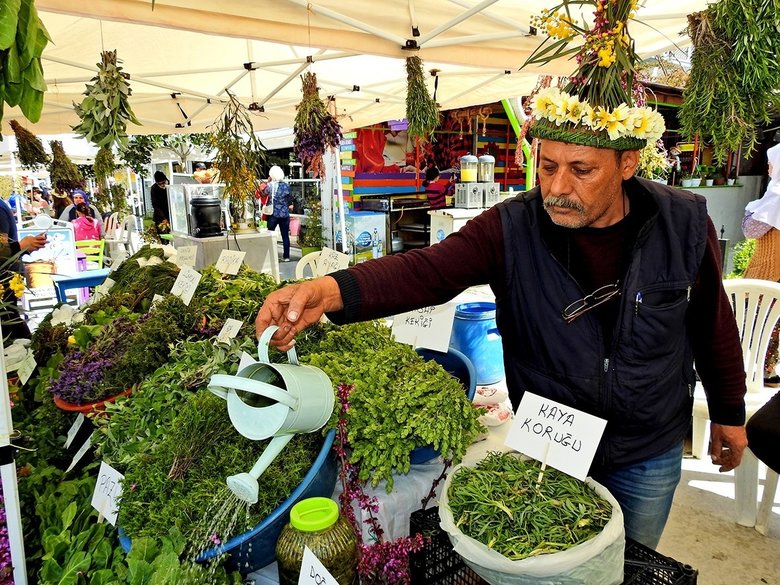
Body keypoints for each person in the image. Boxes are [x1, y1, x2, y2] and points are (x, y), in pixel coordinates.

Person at [254, 3, 748, 551]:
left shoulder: (682, 222)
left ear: (627, 165)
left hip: (646, 445)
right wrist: (329, 290)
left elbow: (712, 324)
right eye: (548, 165)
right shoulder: (513, 227)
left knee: (631, 560)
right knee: (552, 556)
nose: (558, 186)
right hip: (552, 442)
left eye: (582, 170)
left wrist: (729, 413)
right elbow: (428, 271)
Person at [741, 143, 780, 385]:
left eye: (771, 162)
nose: (768, 167)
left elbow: (750, 230)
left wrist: (748, 213)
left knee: (752, 321)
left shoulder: (776, 195)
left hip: (767, 272)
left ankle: (751, 370)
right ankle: (769, 371)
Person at [0, 197, 47, 340]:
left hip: (6, 275)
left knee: (9, 323)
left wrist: (21, 246)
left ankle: (33, 355)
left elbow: (2, 248)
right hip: (9, 272)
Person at [265, 165, 293, 262]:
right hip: (284, 214)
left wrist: (268, 182)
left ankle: (269, 255)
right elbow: (289, 199)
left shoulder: (270, 186)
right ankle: (286, 256)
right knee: (285, 235)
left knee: (269, 235)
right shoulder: (286, 186)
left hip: (273, 213)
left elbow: (264, 194)